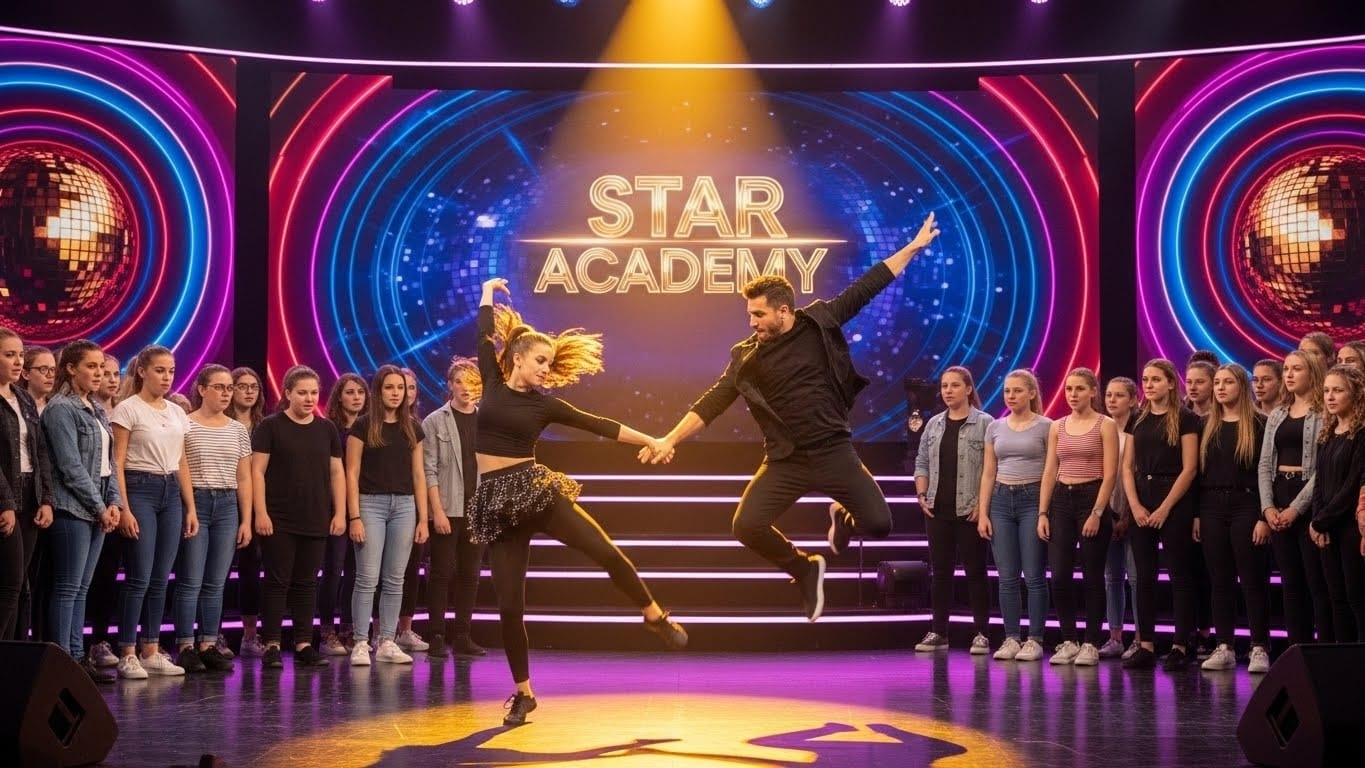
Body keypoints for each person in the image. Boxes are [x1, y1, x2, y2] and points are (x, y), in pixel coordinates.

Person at [646, 214, 942, 621]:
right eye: (750, 315)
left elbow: (869, 285)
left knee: (878, 525)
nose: (752, 323)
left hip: (833, 451)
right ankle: (804, 569)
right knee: (746, 526)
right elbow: (712, 402)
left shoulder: (819, 321)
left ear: (783, 311)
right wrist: (670, 439)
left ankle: (842, 515)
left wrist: (912, 247)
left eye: (758, 315)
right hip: (786, 459)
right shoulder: (746, 357)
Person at [474, 277, 687, 726]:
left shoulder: (544, 406)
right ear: (517, 357)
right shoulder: (491, 381)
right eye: (540, 360)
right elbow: (483, 334)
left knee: (606, 552)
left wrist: (652, 439)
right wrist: (488, 293)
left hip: (534, 492)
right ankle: (524, 694)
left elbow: (600, 425)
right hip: (496, 503)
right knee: (509, 607)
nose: (545, 369)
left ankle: (654, 615)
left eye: (550, 363)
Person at [251, 365, 346, 669]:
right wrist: (261, 512)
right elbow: (257, 472)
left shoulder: (326, 429)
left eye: (314, 393)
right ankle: (272, 644)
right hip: (279, 518)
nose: (309, 398)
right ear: (288, 393)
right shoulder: (270, 426)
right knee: (277, 582)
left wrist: (340, 512)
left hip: (315, 516)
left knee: (306, 583)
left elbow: (336, 473)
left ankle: (304, 643)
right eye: (302, 392)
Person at [110, 345, 196, 679]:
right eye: (160, 370)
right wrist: (125, 507)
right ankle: (127, 652)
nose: (167, 377)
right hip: (139, 487)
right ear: (142, 371)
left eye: (171, 371)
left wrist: (190, 507)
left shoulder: (176, 412)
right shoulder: (127, 409)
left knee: (161, 577)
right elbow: (117, 462)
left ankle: (151, 649)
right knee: (139, 576)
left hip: (170, 490)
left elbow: (182, 461)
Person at [42, 339, 121, 683]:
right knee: (67, 587)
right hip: (72, 509)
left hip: (98, 509)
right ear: (71, 368)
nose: (99, 373)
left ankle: (77, 654)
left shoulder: (97, 409)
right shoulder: (61, 409)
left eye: (102, 367)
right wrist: (100, 507)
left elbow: (108, 464)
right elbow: (70, 466)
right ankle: (64, 661)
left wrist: (114, 503)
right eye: (91, 366)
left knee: (82, 587)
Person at [171, 365, 252, 673]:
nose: (226, 393)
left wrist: (245, 520)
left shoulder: (238, 429)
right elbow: (182, 468)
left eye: (229, 388)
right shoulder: (186, 424)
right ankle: (185, 645)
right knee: (191, 579)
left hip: (227, 504)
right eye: (219, 387)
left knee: (216, 582)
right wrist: (190, 508)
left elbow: (244, 477)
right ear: (202, 389)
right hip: (198, 501)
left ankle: (207, 643)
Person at [346, 365, 429, 666]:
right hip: (370, 504)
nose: (396, 393)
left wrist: (423, 518)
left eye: (401, 388)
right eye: (390, 387)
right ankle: (360, 642)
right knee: (367, 577)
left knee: (395, 579)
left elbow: (419, 474)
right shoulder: (363, 426)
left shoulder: (413, 428)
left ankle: (388, 641)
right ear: (378, 391)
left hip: (405, 506)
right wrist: (354, 516)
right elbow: (351, 472)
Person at [1121, 359, 1200, 670]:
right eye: (1145, 379)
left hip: (1174, 499)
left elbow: (1190, 468)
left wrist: (1165, 507)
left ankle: (1181, 645)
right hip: (1142, 497)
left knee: (1180, 574)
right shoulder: (1137, 419)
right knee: (1144, 575)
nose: (1149, 385)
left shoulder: (1186, 418)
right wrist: (1135, 505)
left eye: (1155, 379)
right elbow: (1127, 467)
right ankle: (1146, 645)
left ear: (1170, 383)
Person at [1038, 368, 1118, 667]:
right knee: (1059, 574)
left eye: (1079, 389)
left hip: (1091, 497)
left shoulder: (1105, 425)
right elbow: (1050, 470)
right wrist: (1043, 512)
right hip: (1061, 498)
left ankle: (1091, 642)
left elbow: (1110, 474)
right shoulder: (1057, 426)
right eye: (1069, 389)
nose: (1072, 394)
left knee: (1093, 575)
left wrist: (1097, 512)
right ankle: (1069, 639)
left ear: (1093, 391)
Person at [1195, 364, 1270, 674]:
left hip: (1247, 504)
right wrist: (1197, 514)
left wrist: (1263, 515)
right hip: (1211, 505)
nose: (1221, 388)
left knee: (1252, 579)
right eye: (1217, 383)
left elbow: (1265, 472)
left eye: (1227, 382)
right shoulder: (1205, 425)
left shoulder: (1260, 424)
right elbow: (1199, 474)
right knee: (1220, 579)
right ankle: (1224, 645)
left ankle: (1259, 646)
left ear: (1242, 386)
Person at [914, 366, 993, 653]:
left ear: (968, 389)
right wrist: (921, 494)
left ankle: (982, 633)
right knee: (941, 572)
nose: (948, 390)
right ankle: (939, 632)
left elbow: (992, 468)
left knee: (976, 572)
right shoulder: (934, 424)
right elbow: (922, 461)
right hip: (938, 509)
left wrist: (982, 505)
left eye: (954, 385)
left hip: (970, 510)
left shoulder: (985, 423)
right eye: (944, 386)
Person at [976, 369, 1050, 662]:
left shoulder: (1047, 426)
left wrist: (1044, 510)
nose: (1011, 396)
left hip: (1032, 498)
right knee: (1007, 576)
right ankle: (1011, 637)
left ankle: (1035, 638)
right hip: (1000, 501)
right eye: (1007, 391)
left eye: (1017, 390)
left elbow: (1051, 471)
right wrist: (983, 512)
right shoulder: (995, 427)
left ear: (1031, 393)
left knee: (1033, 575)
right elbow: (988, 472)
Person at [1259, 350, 1331, 645]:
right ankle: (1297, 649)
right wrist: (1267, 507)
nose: (1288, 375)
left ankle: (1323, 651)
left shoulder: (1324, 412)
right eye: (1286, 369)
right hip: (1278, 494)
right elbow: (1265, 463)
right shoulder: (1277, 413)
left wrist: (1296, 508)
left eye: (1296, 369)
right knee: (1291, 583)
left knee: (1316, 582)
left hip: (1309, 500)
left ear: (1312, 372)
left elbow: (1323, 468)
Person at [421, 356, 487, 658]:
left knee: (470, 575)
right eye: (459, 381)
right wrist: (436, 511)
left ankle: (462, 635)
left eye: (471, 382)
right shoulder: (434, 421)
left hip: (478, 510)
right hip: (447, 509)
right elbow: (429, 470)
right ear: (449, 385)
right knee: (441, 574)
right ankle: (436, 635)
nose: (465, 387)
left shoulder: (487, 421)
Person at [0, 327, 55, 640]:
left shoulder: (23, 398)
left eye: (20, 355)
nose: (18, 361)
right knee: (8, 583)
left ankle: (14, 656)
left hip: (30, 495)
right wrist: (5, 503)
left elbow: (39, 451)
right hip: (6, 495)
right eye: (10, 355)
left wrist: (46, 499)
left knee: (22, 584)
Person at [1308, 365, 1365, 642]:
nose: (1330, 397)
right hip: (1327, 527)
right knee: (1336, 596)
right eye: (1327, 391)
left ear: (1355, 394)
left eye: (1338, 390)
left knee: (1357, 595)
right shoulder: (1328, 433)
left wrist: (1322, 521)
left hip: (1349, 526)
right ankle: (1344, 656)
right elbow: (1320, 481)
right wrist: (1316, 519)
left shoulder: (1362, 435)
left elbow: (1352, 485)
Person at [319, 373, 366, 655]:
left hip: (363, 508)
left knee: (356, 572)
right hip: (335, 508)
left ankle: (349, 628)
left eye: (360, 392)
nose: (356, 397)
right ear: (339, 397)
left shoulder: (369, 428)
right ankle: (327, 630)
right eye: (350, 392)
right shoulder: (328, 429)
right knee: (333, 570)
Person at [228, 366, 266, 659]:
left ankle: (250, 635)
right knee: (215, 573)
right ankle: (209, 636)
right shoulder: (221, 423)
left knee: (252, 570)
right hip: (226, 500)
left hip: (259, 505)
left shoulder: (266, 426)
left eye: (254, 386)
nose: (249, 391)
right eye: (242, 386)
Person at [1103, 377, 1141, 660]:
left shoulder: (1140, 432)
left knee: (1136, 577)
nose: (1112, 400)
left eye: (1119, 395)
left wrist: (1127, 514)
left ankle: (1141, 637)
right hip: (1107, 512)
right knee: (1111, 577)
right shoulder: (1101, 431)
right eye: (1108, 395)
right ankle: (1115, 636)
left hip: (1134, 513)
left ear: (1133, 399)